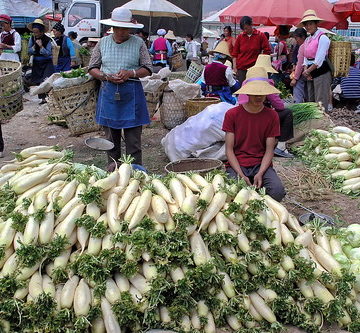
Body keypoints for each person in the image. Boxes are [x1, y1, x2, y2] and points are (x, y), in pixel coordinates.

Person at [88, 7, 152, 171]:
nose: (122, 31)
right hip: (109, 93)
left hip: (132, 95)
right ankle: (113, 170)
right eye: (118, 28)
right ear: (112, 27)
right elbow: (92, 68)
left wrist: (131, 73)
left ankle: (135, 172)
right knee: (111, 141)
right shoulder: (102, 43)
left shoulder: (138, 43)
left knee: (133, 142)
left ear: (130, 28)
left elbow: (148, 68)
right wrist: (105, 76)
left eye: (125, 28)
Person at [223, 66, 285, 201]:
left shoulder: (272, 116)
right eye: (254, 92)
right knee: (229, 193)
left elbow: (269, 150)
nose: (258, 96)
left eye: (262, 92)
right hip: (237, 164)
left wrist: (261, 173)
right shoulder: (232, 115)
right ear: (247, 93)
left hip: (260, 164)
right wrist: (241, 174)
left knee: (277, 192)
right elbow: (229, 150)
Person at [238, 54, 294, 158]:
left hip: (242, 113)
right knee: (287, 113)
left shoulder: (245, 82)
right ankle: (280, 147)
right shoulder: (265, 83)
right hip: (256, 115)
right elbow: (279, 106)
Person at [300, 10, 332, 112]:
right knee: (311, 100)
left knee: (321, 100)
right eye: (306, 25)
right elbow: (305, 56)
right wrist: (306, 70)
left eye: (310, 24)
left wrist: (308, 71)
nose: (308, 27)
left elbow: (319, 59)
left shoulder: (323, 38)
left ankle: (323, 124)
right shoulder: (308, 39)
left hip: (321, 71)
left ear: (316, 24)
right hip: (310, 71)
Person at [232, 16, 271, 85]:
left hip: (255, 68)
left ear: (251, 25)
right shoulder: (240, 37)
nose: (245, 31)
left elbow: (267, 51)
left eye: (246, 28)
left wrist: (262, 64)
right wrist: (235, 68)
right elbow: (235, 54)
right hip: (242, 68)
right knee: (242, 89)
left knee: (254, 87)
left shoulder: (260, 36)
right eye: (243, 29)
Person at [27, 19, 54, 104]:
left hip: (46, 63)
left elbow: (49, 53)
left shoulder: (48, 40)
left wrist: (41, 46)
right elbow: (29, 51)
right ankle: (43, 98)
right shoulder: (32, 38)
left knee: (46, 80)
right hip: (37, 62)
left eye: (37, 32)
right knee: (39, 80)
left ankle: (49, 97)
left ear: (41, 31)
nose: (35, 34)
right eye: (34, 32)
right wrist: (34, 48)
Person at [290, 28, 308, 104]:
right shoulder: (305, 44)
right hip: (308, 74)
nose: (296, 40)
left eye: (296, 38)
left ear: (303, 37)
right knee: (308, 95)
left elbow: (300, 63)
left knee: (298, 95)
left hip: (303, 74)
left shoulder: (303, 46)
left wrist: (295, 79)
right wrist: (294, 65)